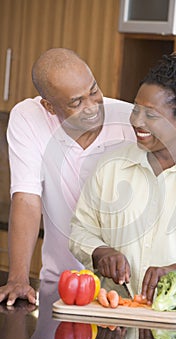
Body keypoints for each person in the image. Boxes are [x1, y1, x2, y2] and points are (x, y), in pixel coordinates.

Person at [70, 46, 176, 322]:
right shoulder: (111, 167)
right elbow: (79, 230)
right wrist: (99, 251)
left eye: (151, 115)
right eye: (136, 109)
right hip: (117, 320)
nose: (137, 121)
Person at [0, 48, 135, 306]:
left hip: (124, 292)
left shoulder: (130, 122)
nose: (92, 107)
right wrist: (18, 278)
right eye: (76, 102)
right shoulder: (28, 118)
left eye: (94, 91)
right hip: (62, 286)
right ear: (49, 106)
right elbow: (26, 198)